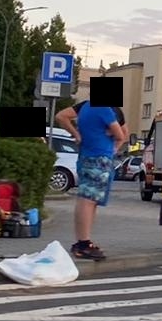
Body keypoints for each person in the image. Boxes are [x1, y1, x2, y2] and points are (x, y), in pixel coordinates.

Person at [55, 97, 128, 262]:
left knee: (87, 199)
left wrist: (77, 135)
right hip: (99, 158)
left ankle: (83, 241)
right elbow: (120, 134)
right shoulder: (105, 109)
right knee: (88, 201)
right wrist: (112, 140)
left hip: (85, 156)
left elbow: (61, 116)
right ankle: (83, 243)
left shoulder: (85, 107)